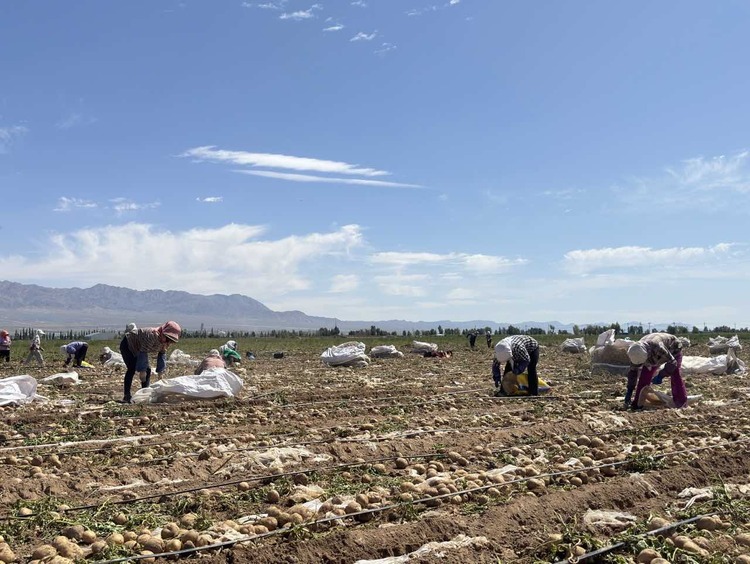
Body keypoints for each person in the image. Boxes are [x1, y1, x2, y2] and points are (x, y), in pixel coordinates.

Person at [119, 321, 181, 403]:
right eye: (168, 339)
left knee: (147, 370)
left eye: (171, 340)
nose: (168, 342)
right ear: (163, 333)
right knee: (132, 368)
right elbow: (143, 353)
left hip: (138, 348)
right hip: (128, 345)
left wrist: (160, 372)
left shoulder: (165, 342)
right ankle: (127, 395)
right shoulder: (152, 336)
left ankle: (144, 394)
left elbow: (162, 354)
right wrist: (142, 371)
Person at [625, 332, 687, 410]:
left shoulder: (658, 347)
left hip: (673, 348)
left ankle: (681, 402)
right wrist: (630, 390)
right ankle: (637, 403)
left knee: (675, 374)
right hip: (653, 354)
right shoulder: (634, 352)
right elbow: (633, 372)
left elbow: (673, 363)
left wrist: (661, 375)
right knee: (644, 377)